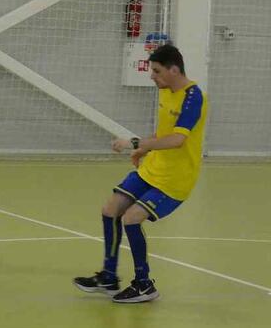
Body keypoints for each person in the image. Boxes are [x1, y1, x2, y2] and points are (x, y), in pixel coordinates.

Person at [73, 44, 207, 303]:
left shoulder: (193, 98)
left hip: (175, 179)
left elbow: (178, 140)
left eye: (156, 71)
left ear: (173, 70)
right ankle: (109, 277)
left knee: (132, 218)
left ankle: (144, 284)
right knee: (110, 210)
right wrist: (144, 149)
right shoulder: (166, 91)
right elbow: (164, 133)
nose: (152, 76)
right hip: (153, 168)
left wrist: (134, 143)